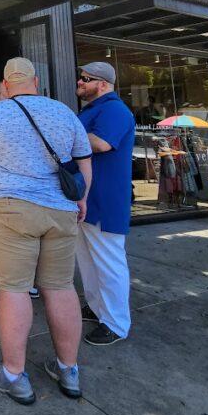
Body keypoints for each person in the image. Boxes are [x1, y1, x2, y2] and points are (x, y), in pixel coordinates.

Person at [0, 57, 92, 406]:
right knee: (61, 287)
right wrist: (82, 199)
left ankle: (14, 375)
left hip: (10, 209)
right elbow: (83, 161)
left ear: (6, 85)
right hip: (60, 210)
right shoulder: (65, 112)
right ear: (36, 81)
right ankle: (68, 369)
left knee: (14, 289)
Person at [71, 62, 136, 347]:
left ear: (104, 84)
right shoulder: (91, 109)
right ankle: (97, 308)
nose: (80, 82)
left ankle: (116, 323)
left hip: (105, 200)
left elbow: (101, 144)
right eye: (81, 78)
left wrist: (64, 132)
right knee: (86, 261)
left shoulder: (115, 110)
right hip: (85, 200)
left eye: (86, 79)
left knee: (109, 263)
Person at [0, 81, 41, 302]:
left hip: (32, 191)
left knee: (28, 236)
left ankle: (28, 279)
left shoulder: (30, 115)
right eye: (8, 92)